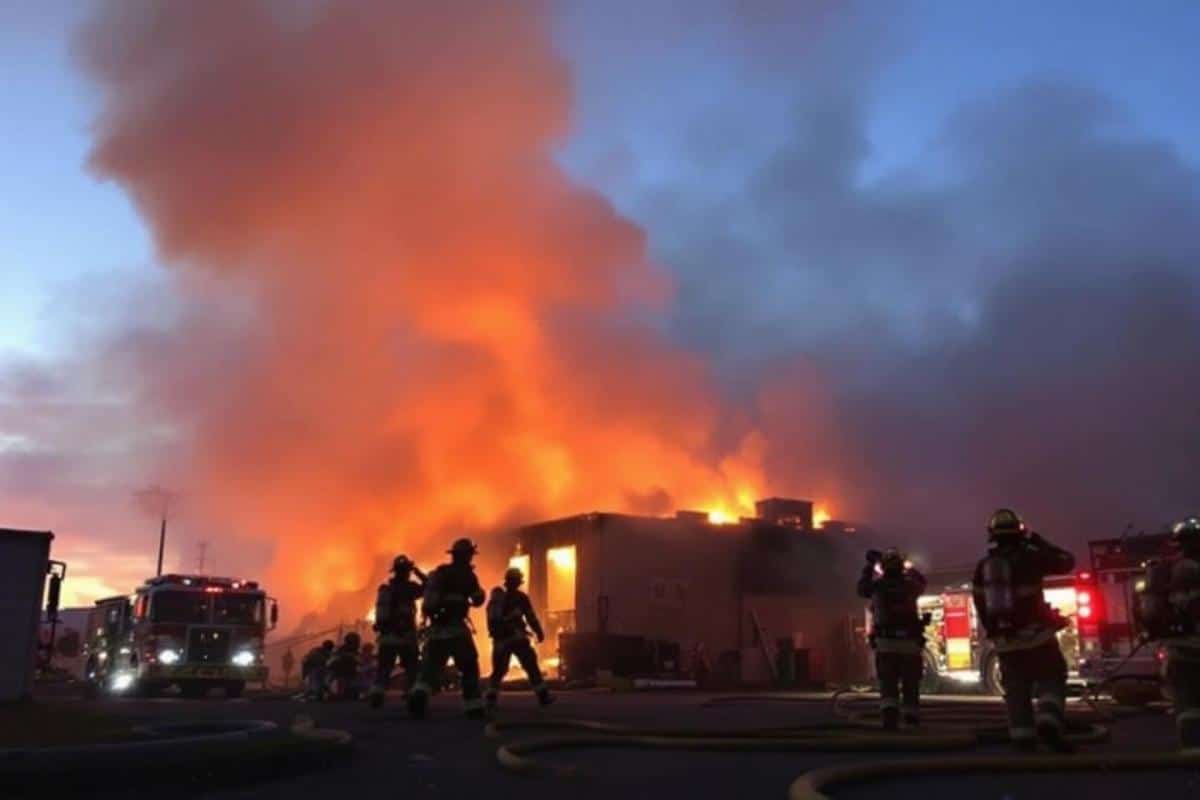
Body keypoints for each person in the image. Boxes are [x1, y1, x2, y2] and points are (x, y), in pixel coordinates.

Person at [972, 508, 1076, 752]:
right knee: (1052, 677)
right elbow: (1067, 561)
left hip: (1007, 643)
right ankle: (1049, 720)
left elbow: (980, 604)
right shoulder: (1032, 557)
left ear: (992, 535)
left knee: (1016, 689)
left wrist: (998, 631)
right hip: (1037, 637)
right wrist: (1040, 542)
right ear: (1020, 532)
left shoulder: (984, 567)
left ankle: (1022, 737)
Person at [1136, 515, 1200, 749]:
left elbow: (1150, 612)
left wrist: (1153, 629)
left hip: (1181, 650)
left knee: (1187, 702)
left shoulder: (1163, 570)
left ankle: (1192, 752)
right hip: (1181, 647)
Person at [407, 538, 487, 719]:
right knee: (469, 667)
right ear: (467, 555)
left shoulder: (440, 573)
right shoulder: (467, 575)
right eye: (470, 555)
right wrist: (480, 593)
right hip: (457, 629)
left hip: (436, 631)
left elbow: (428, 600)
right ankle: (473, 707)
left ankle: (419, 697)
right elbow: (477, 600)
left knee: (430, 669)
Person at [858, 548, 927, 729]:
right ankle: (911, 718)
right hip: (910, 644)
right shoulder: (910, 585)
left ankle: (890, 718)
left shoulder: (878, 586)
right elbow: (923, 581)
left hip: (886, 643)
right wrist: (908, 567)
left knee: (888, 683)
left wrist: (870, 566)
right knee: (910, 683)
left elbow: (862, 588)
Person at [486, 566, 553, 711]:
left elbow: (492, 622)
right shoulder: (521, 598)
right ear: (517, 582)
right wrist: (539, 632)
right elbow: (531, 617)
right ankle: (543, 696)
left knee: (499, 670)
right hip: (517, 638)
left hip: (501, 641)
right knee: (530, 665)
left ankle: (491, 698)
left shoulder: (497, 600)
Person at [369, 555, 427, 709]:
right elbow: (428, 586)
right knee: (412, 668)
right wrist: (418, 572)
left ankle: (377, 693)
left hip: (387, 637)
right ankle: (413, 697)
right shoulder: (410, 588)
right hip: (406, 637)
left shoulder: (386, 589)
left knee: (384, 667)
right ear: (407, 571)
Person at [326, 632, 363, 700]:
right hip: (339, 675)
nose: (357, 644)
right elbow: (331, 663)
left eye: (356, 642)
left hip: (350, 675)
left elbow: (360, 663)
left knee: (353, 692)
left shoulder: (355, 652)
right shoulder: (340, 651)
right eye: (355, 642)